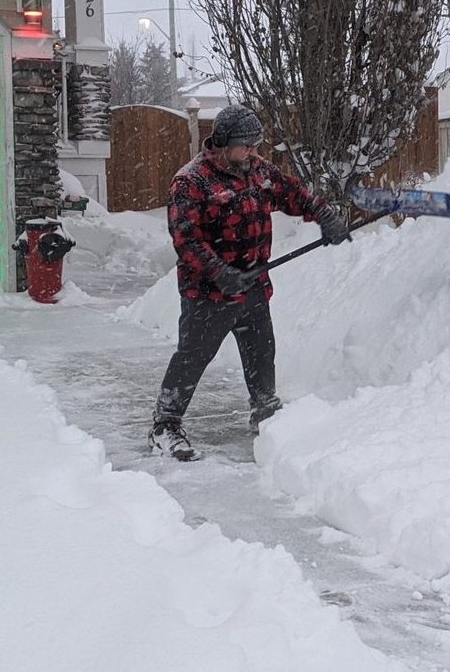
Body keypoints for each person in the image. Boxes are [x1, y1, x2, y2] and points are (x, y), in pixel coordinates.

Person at [148, 105, 349, 462]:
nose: (254, 153)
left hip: (253, 285)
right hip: (209, 294)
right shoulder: (192, 181)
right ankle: (165, 424)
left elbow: (294, 194)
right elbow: (185, 239)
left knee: (261, 353)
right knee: (193, 358)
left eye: (257, 145)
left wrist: (324, 215)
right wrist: (219, 271)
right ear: (223, 143)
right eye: (246, 145)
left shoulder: (258, 171)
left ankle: (266, 413)